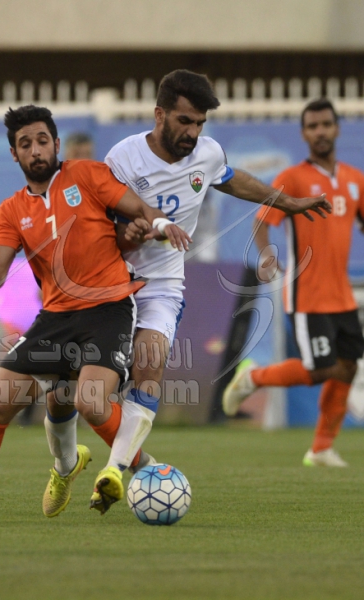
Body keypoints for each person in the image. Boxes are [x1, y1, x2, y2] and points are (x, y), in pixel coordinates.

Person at [43, 69, 332, 513]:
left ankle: (114, 472)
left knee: (150, 364)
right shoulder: (124, 158)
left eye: (199, 123)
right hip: (109, 280)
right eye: (184, 121)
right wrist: (129, 234)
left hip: (161, 285)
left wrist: (285, 201)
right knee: (66, 389)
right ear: (159, 114)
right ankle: (65, 465)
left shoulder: (206, 153)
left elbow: (230, 177)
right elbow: (99, 222)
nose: (193, 133)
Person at [0, 105, 190, 523]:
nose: (36, 150)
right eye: (25, 144)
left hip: (108, 308)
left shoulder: (87, 175)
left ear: (56, 144)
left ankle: (146, 468)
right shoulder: (10, 211)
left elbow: (141, 210)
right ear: (14, 154)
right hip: (55, 318)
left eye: (42, 140)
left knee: (89, 401)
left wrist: (162, 224)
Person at [222, 98, 364, 467]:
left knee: (347, 367)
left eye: (325, 124)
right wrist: (267, 254)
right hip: (308, 295)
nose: (320, 132)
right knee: (321, 369)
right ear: (304, 134)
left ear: (337, 129)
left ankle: (321, 449)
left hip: (342, 296)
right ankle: (254, 377)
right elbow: (261, 220)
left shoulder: (354, 179)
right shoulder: (293, 178)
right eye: (313, 126)